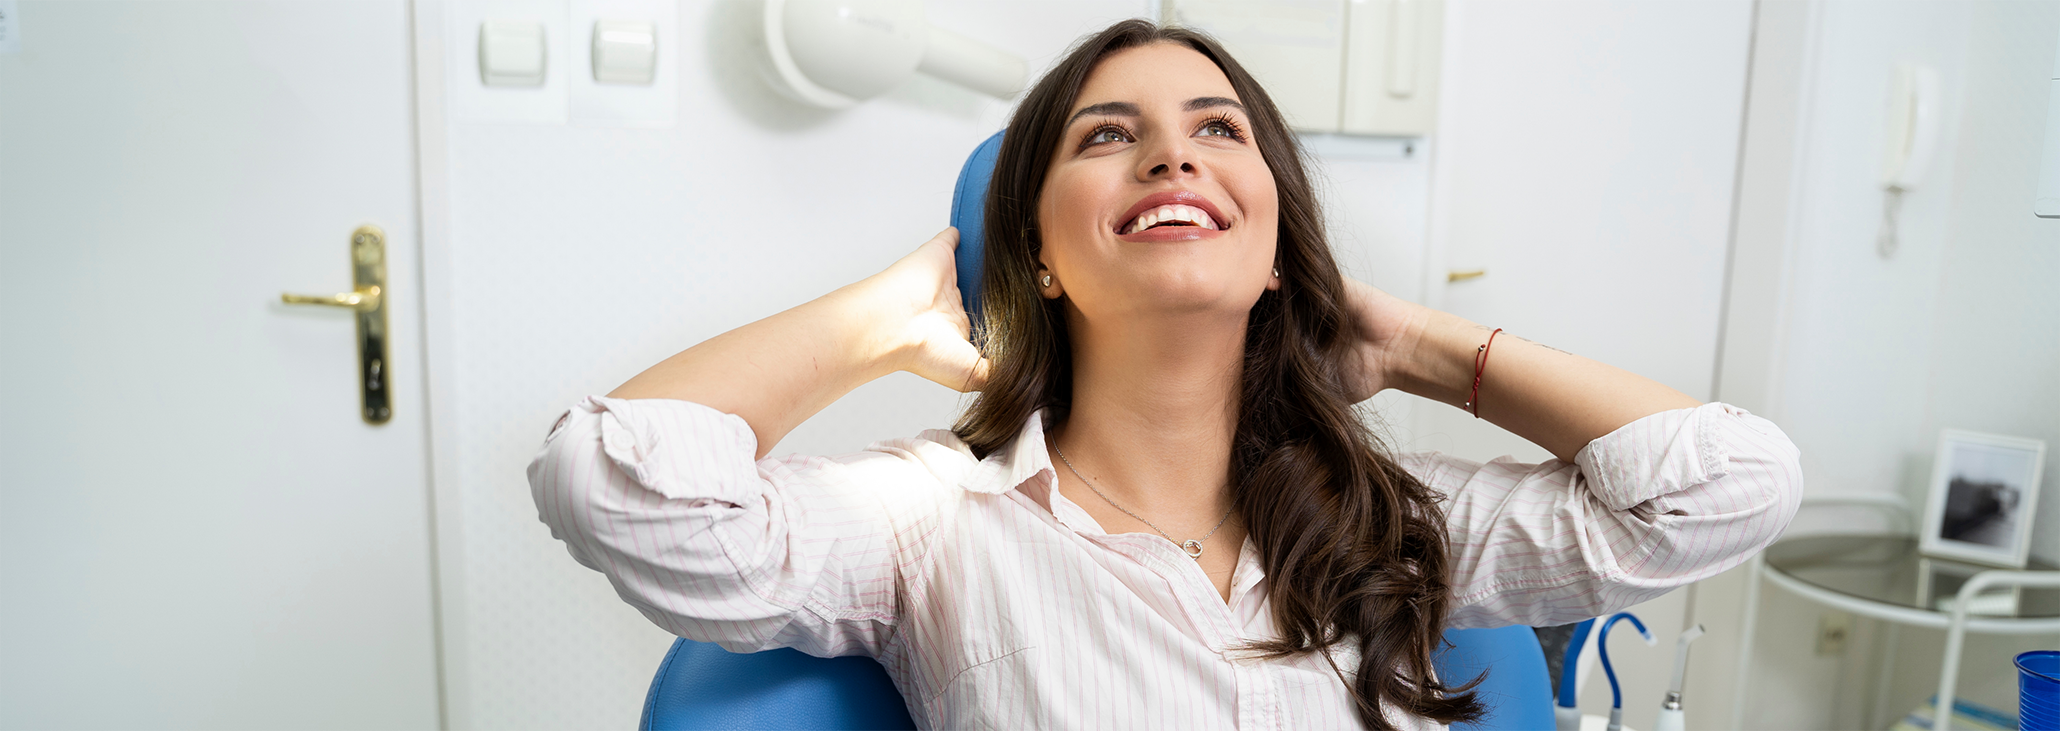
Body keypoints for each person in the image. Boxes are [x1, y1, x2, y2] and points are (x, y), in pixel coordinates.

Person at [527, 19, 1802, 731]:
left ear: (1270, 243)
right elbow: (614, 478)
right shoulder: (929, 519)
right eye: (1106, 136)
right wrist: (891, 313)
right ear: (1038, 248)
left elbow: (1729, 484)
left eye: (1216, 131)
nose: (1169, 157)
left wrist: (1415, 344)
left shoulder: (1397, 522)